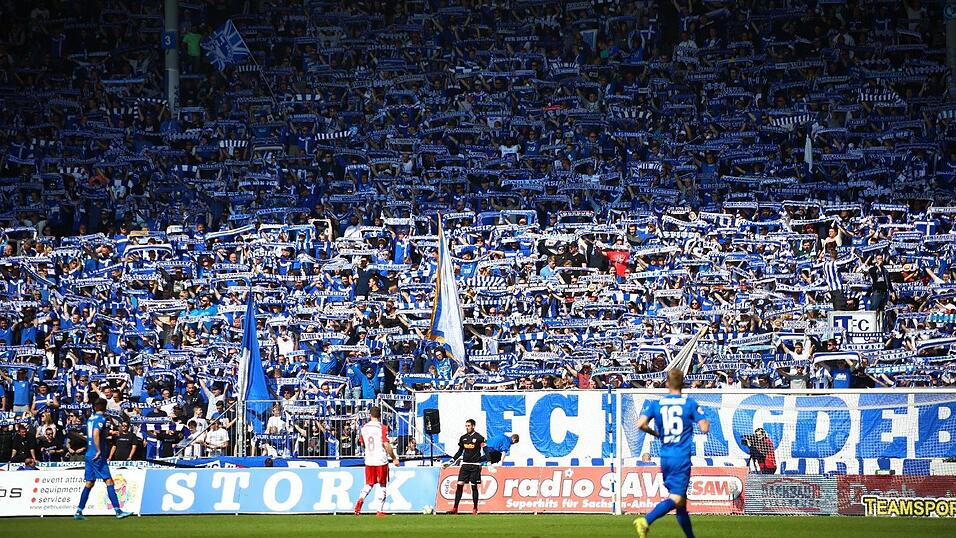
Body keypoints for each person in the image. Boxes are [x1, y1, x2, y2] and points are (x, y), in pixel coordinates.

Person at [634, 369, 709, 538]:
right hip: (681, 457)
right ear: (683, 383)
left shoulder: (656, 404)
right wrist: (703, 421)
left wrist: (657, 434)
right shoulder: (689, 403)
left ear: (667, 383)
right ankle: (646, 520)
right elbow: (704, 428)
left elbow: (640, 424)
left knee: (681, 501)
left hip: (665, 456)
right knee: (676, 497)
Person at [75, 399, 133, 520]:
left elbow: (94, 434)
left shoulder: (91, 418)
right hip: (97, 455)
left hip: (89, 454)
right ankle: (118, 511)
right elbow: (96, 433)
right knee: (109, 481)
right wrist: (99, 450)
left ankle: (79, 511)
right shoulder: (101, 419)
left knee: (89, 483)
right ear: (105, 407)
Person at [353, 407, 399, 516]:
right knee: (382, 484)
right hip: (381, 460)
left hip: (369, 459)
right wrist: (394, 458)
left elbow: (362, 443)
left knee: (369, 483)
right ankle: (379, 510)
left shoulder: (364, 428)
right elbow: (386, 444)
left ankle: (360, 499)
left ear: (370, 415)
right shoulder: (382, 427)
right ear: (380, 416)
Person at [444, 418, 485, 515]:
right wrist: (452, 461)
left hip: (475, 465)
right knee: (459, 485)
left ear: (473, 426)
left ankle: (475, 509)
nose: (467, 427)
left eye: (469, 426)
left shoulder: (479, 437)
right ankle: (455, 508)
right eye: (466, 426)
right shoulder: (463, 438)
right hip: (465, 465)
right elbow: (459, 451)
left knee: (473, 487)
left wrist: (489, 461)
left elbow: (486, 449)